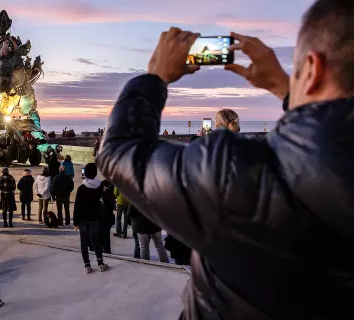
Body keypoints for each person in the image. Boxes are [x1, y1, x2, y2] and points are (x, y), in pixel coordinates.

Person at [97, 2, 354, 316]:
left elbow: (117, 153)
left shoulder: (233, 172)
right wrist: (286, 88)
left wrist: (155, 76)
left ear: (312, 70)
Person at [73, 163, 108, 273]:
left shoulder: (81, 188)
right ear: (95, 173)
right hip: (95, 218)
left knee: (84, 241)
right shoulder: (100, 187)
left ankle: (87, 265)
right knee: (96, 240)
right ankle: (100, 263)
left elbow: (77, 206)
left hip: (83, 218)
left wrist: (75, 221)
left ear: (85, 174)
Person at [99, 180, 116, 254]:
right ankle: (106, 249)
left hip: (105, 218)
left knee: (104, 235)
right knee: (106, 235)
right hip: (109, 217)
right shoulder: (110, 193)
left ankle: (106, 249)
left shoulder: (105, 195)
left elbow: (104, 207)